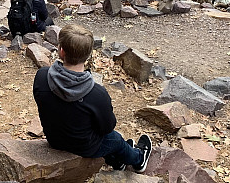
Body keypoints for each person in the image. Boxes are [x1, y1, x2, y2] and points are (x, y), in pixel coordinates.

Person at [33, 24, 152, 172]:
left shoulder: (42, 76)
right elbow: (107, 127)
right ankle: (139, 159)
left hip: (54, 138)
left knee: (108, 138)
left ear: (61, 51)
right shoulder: (96, 94)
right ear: (88, 54)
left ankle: (117, 161)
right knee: (115, 139)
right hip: (84, 147)